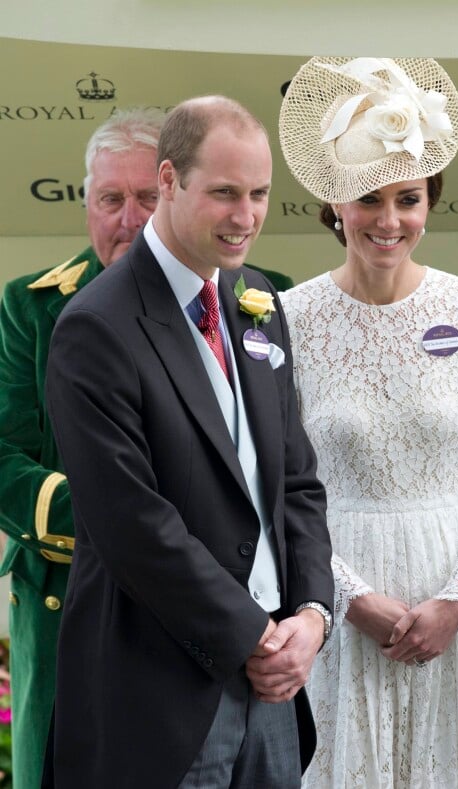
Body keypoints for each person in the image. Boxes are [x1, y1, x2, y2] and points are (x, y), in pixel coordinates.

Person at [43, 95, 334, 789]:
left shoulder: (257, 298)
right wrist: (253, 636)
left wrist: (313, 617)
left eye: (260, 193)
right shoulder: (95, 326)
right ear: (169, 181)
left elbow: (296, 481)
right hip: (156, 694)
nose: (246, 216)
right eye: (225, 193)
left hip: (273, 691)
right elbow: (131, 522)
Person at [279, 56, 458, 787]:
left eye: (409, 198)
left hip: (455, 609)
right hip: (335, 611)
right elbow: (278, 485)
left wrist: (457, 599)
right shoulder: (289, 318)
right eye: (369, 199)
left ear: (431, 200)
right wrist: (347, 596)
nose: (389, 221)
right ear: (335, 203)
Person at [0, 106, 164, 789]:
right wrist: (124, 522)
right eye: (111, 198)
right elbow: (4, 457)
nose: (129, 218)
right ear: (87, 202)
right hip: (66, 597)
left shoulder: (253, 297)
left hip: (199, 610)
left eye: (148, 198)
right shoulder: (28, 307)